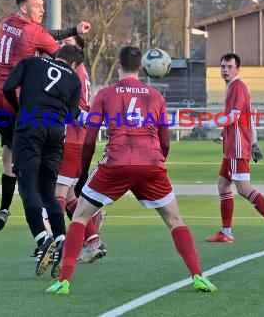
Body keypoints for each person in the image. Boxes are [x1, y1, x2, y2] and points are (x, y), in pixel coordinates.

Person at [46, 46, 217, 295]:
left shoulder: (105, 94)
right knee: (175, 220)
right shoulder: (156, 96)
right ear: (141, 67)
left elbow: (90, 140)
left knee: (81, 216)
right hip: (151, 163)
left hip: (116, 162)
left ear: (117, 64)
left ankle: (64, 281)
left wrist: (83, 173)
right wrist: (159, 163)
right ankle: (198, 276)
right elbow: (165, 140)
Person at [0, 0, 90, 232]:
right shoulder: (33, 32)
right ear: (24, 8)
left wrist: (72, 31)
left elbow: (44, 35)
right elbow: (62, 57)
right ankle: (46, 236)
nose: (42, 10)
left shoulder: (8, 22)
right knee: (31, 173)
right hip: (16, 101)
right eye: (38, 6)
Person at [3, 44, 83, 278]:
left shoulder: (31, 62)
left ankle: (42, 238)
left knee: (27, 186)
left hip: (30, 126)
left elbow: (7, 87)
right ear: (75, 64)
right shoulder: (74, 80)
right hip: (56, 132)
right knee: (48, 192)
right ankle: (61, 239)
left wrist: (20, 110)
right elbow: (72, 115)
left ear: (56, 55)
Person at [195, 53, 264, 244]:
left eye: (229, 67)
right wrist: (252, 143)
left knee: (243, 188)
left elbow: (235, 116)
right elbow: (248, 117)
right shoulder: (233, 87)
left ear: (238, 69)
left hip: (236, 147)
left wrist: (207, 126)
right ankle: (226, 232)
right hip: (232, 145)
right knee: (223, 185)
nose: (225, 70)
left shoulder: (237, 86)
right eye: (223, 67)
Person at [55, 36, 107, 264]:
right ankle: (93, 240)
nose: (60, 45)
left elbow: (73, 108)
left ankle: (55, 243)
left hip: (70, 137)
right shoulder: (81, 70)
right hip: (78, 138)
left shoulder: (71, 71)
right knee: (70, 197)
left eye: (66, 42)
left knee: (56, 195)